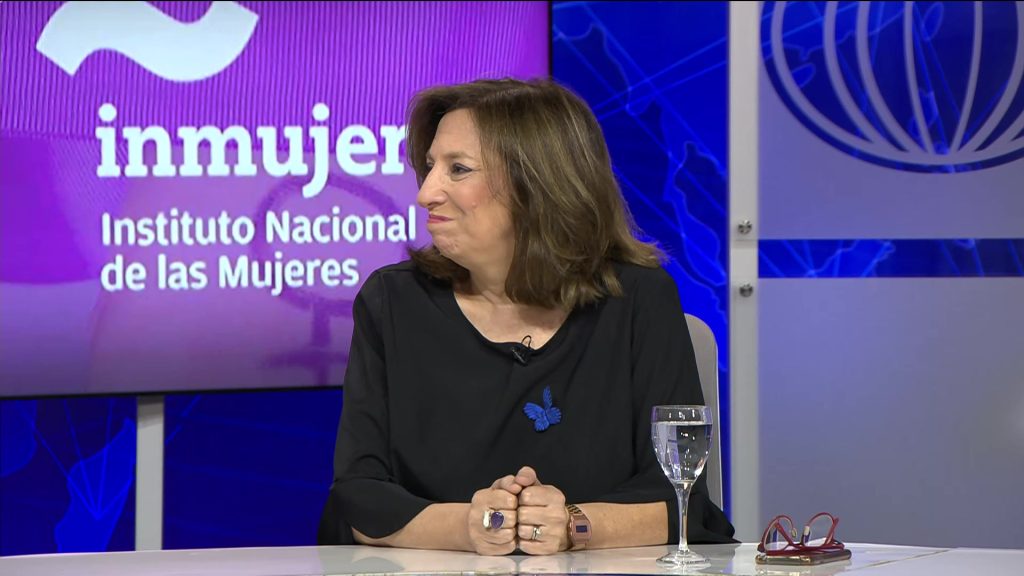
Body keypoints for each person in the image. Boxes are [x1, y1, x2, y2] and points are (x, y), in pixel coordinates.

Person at [318, 77, 735, 555]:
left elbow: (683, 500)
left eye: (458, 169)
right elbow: (360, 495)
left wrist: (574, 526)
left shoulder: (638, 299)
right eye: (430, 167)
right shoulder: (392, 302)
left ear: (537, 184)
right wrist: (470, 528)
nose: (426, 193)